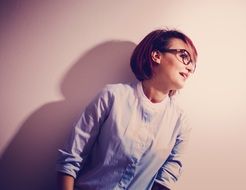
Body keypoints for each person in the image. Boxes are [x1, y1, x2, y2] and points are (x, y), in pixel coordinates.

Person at [56, 28, 198, 190]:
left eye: (193, 63)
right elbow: (70, 159)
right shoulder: (112, 97)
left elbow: (166, 179)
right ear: (156, 56)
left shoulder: (180, 123)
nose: (190, 68)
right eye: (184, 56)